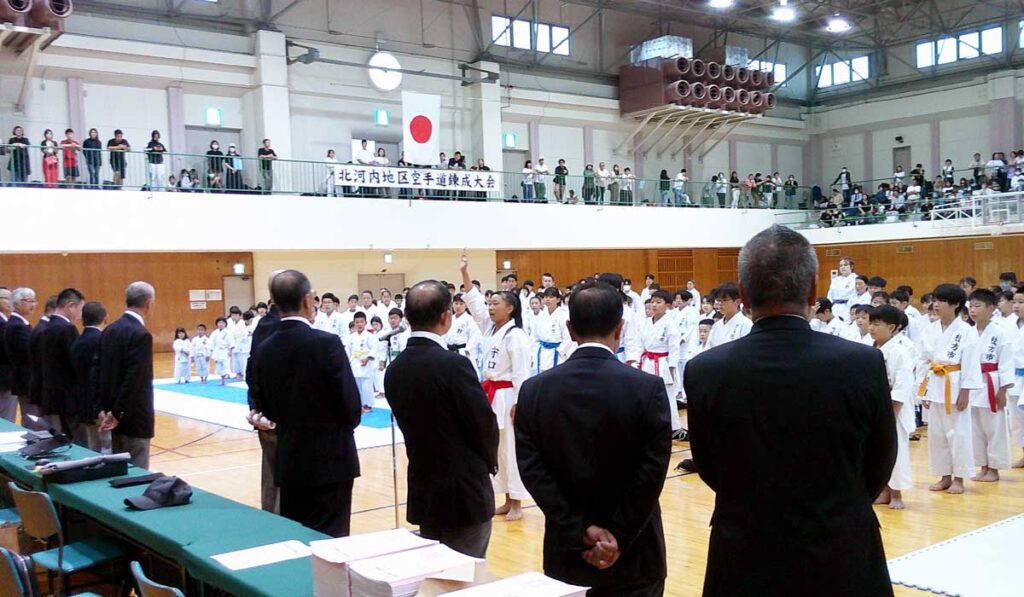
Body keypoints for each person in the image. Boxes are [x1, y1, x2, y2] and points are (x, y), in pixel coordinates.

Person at [686, 225, 896, 597]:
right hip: (840, 546)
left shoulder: (706, 370)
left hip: (745, 548)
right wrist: (837, 504)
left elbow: (708, 464)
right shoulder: (861, 363)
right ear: (814, 289)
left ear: (745, 293)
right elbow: (880, 461)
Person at [516, 279, 670, 596]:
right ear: (620, 328)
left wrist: (580, 531)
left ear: (570, 330)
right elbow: (652, 471)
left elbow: (533, 471)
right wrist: (619, 535)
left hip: (568, 549)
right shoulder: (646, 388)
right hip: (635, 550)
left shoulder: (535, 390)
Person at [384, 281, 498, 557]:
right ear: (446, 317)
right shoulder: (453, 364)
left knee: (434, 578)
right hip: (464, 490)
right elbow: (483, 425)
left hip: (425, 485)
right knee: (465, 574)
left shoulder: (395, 369)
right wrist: (488, 464)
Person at [247, 270, 362, 537]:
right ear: (308, 300)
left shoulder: (266, 347)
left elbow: (265, 405)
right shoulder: (327, 343)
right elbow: (351, 407)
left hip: (291, 461)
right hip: (331, 461)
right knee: (332, 542)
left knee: (298, 540)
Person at [459, 252, 532, 521]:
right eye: (490, 303)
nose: (490, 307)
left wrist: (520, 403)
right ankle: (504, 497)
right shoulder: (490, 329)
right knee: (497, 450)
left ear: (510, 308)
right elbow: (474, 302)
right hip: (490, 393)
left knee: (511, 449)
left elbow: (523, 374)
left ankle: (517, 503)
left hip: (508, 395)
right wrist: (465, 273)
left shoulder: (516, 336)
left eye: (496, 303)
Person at [916, 283, 981, 495]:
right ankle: (944, 476)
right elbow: (923, 360)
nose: (936, 304)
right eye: (935, 299)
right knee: (937, 435)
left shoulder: (966, 331)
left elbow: (971, 363)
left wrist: (966, 391)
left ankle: (959, 478)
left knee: (958, 434)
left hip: (954, 384)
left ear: (955, 304)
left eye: (941, 300)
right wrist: (922, 390)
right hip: (934, 384)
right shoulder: (929, 329)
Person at [96, 282, 157, 468]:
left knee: (118, 470)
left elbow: (97, 372)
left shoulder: (109, 330)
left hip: (111, 415)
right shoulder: (141, 334)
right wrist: (118, 412)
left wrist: (104, 409)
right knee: (137, 472)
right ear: (148, 303)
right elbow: (135, 379)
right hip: (133, 416)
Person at [868, 306, 915, 510]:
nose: (871, 328)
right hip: (874, 408)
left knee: (896, 452)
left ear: (892, 327)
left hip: (892, 409)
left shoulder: (899, 352)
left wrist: (892, 413)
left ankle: (897, 494)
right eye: (871, 323)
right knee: (878, 452)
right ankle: (884, 490)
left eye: (876, 324)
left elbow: (902, 386)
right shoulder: (871, 348)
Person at [966, 289, 1014, 483]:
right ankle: (983, 466)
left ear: (992, 308)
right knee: (974, 429)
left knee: (994, 428)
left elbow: (1006, 363)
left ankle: (994, 468)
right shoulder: (968, 332)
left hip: (992, 383)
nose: (972, 310)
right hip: (972, 384)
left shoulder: (1001, 332)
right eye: (970, 306)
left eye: (977, 306)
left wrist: (1003, 390)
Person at [40, 288, 85, 433]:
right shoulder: (67, 329)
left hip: (51, 394)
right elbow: (76, 363)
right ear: (71, 306)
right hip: (67, 398)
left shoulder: (46, 327)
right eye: (80, 309)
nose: (80, 315)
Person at [639, 290, 683, 438]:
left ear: (668, 305)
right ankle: (650, 423)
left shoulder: (670, 324)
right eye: (653, 301)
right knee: (646, 394)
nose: (654, 305)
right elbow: (641, 343)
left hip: (663, 363)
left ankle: (673, 427)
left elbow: (674, 348)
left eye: (658, 302)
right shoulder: (646, 322)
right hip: (648, 361)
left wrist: (671, 368)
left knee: (667, 395)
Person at [3, 288, 45, 429]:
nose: (33, 304)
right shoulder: (17, 325)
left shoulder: (18, 323)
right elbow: (29, 353)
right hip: (26, 380)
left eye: (34, 301)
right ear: (17, 303)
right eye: (29, 301)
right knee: (31, 420)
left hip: (24, 379)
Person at [70, 301, 108, 451]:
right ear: (105, 318)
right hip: (100, 405)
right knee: (106, 447)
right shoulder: (103, 340)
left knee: (93, 446)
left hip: (83, 403)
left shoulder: (77, 342)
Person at [532, 287, 571, 374]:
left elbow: (568, 339)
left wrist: (559, 351)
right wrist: (535, 349)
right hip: (541, 352)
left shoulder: (563, 316)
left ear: (558, 299)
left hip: (557, 353)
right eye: (546, 297)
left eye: (551, 297)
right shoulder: (540, 316)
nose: (548, 299)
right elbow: (534, 337)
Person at [706, 283, 752, 348]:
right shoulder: (716, 325)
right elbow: (709, 348)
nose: (720, 304)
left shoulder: (746, 324)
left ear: (737, 301)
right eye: (719, 300)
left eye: (724, 300)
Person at [348, 312, 377, 412]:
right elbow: (348, 350)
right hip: (355, 362)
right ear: (354, 323)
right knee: (356, 385)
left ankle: (367, 405)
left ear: (365, 323)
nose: (359, 324)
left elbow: (374, 348)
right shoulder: (351, 336)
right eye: (357, 322)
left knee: (366, 386)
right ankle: (358, 404)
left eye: (361, 322)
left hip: (366, 362)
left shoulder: (370, 336)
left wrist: (368, 358)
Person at [0, 287, 13, 422]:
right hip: (4, 378)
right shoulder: (2, 323)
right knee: (6, 418)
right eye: (7, 298)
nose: (11, 301)